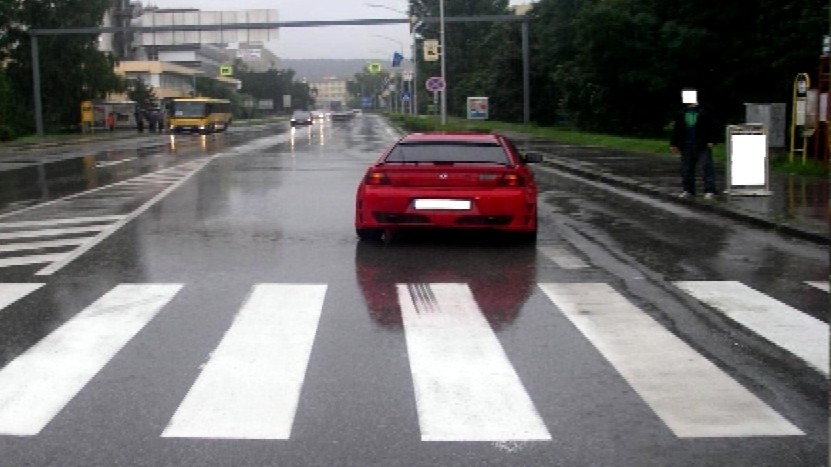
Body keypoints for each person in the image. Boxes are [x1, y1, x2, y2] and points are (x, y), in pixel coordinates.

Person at [669, 88, 718, 199]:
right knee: (686, 169)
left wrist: (712, 140)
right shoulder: (681, 112)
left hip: (702, 143)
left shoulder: (705, 111)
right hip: (686, 144)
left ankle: (710, 190)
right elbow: (677, 129)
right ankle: (688, 190)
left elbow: (713, 126)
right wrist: (674, 143)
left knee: (706, 167)